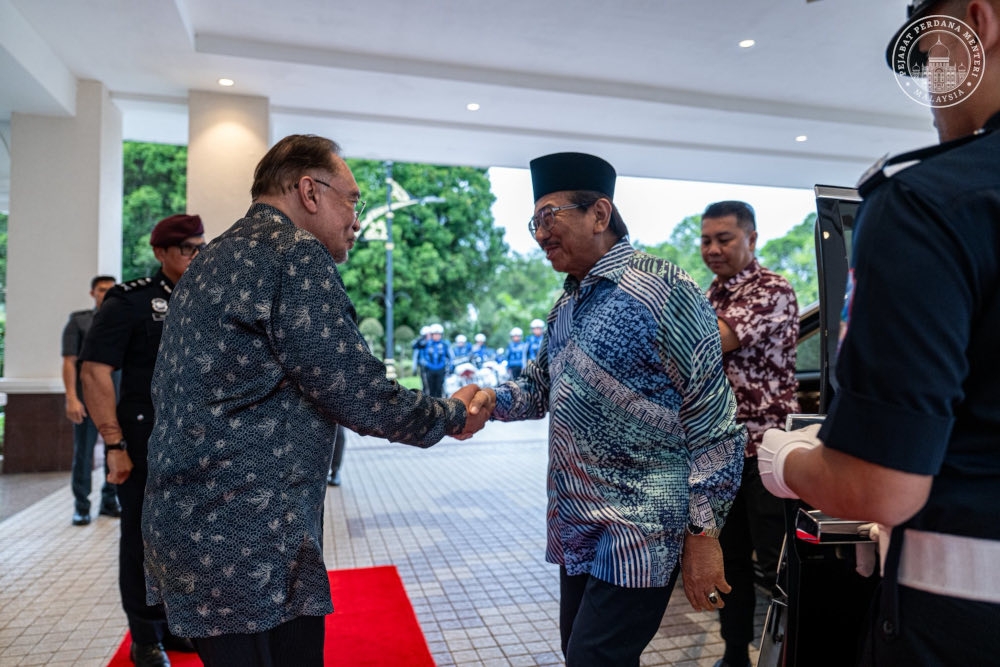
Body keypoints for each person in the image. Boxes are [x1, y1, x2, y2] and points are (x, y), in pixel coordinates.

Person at [140, 134, 491, 667]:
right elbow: (358, 390)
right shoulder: (290, 252)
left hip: (189, 524)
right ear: (309, 190)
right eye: (352, 200)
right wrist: (452, 414)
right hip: (249, 535)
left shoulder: (210, 260)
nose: (356, 218)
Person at [758, 1, 1000, 664]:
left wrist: (786, 458)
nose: (931, 97)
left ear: (978, 23)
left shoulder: (932, 203)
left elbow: (882, 487)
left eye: (929, 59)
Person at [471, 151, 745, 666]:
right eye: (535, 221)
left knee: (593, 658)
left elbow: (716, 426)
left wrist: (704, 535)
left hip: (641, 528)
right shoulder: (568, 302)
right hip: (578, 527)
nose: (540, 234)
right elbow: (539, 387)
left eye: (550, 216)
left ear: (600, 214)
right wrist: (488, 401)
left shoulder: (664, 289)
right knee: (583, 653)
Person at [80, 214, 205, 667]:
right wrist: (113, 443)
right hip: (143, 440)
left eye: (199, 247)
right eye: (187, 249)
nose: (196, 256)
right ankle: (145, 635)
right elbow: (94, 370)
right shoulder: (130, 300)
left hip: (196, 443)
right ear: (161, 253)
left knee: (186, 538)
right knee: (141, 539)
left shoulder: (207, 299)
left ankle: (175, 624)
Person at [700, 200, 798, 667]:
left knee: (780, 565)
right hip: (721, 455)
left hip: (766, 454)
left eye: (724, 239)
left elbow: (713, 341)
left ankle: (792, 651)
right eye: (706, 240)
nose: (713, 249)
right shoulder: (709, 295)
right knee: (729, 562)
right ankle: (735, 652)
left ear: (751, 239)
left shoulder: (772, 290)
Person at [62, 274, 120, 526]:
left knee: (115, 450)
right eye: (101, 289)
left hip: (118, 398)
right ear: (92, 293)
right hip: (86, 399)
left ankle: (109, 501)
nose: (105, 294)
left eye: (110, 290)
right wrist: (72, 398)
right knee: (84, 453)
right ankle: (81, 506)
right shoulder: (78, 321)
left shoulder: (122, 321)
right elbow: (69, 362)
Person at [419, 322, 450, 397]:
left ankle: (439, 406)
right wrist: (424, 363)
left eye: (438, 334)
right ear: (432, 335)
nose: (437, 336)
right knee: (430, 390)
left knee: (439, 389)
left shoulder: (445, 344)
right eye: (435, 334)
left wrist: (450, 366)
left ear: (441, 335)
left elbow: (450, 356)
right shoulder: (426, 344)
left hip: (441, 369)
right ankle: (431, 407)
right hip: (429, 370)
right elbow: (421, 355)